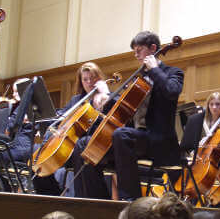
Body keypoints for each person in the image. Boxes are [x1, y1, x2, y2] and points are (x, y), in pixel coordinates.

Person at [71, 31, 184, 200]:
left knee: (121, 135)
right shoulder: (139, 79)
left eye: (139, 49)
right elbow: (122, 109)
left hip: (158, 141)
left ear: (153, 48)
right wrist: (105, 98)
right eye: (134, 50)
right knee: (84, 145)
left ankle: (130, 200)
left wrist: (154, 69)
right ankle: (94, 201)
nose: (136, 54)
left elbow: (172, 91)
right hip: (132, 142)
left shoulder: (172, 73)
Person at [33, 62, 110, 195]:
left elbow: (111, 121)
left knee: (80, 149)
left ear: (99, 78)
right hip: (68, 144)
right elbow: (62, 116)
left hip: (91, 146)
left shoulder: (108, 96)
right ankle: (52, 196)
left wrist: (106, 95)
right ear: (81, 82)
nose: (89, 82)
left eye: (93, 78)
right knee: (36, 155)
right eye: (85, 79)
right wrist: (49, 126)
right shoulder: (77, 100)